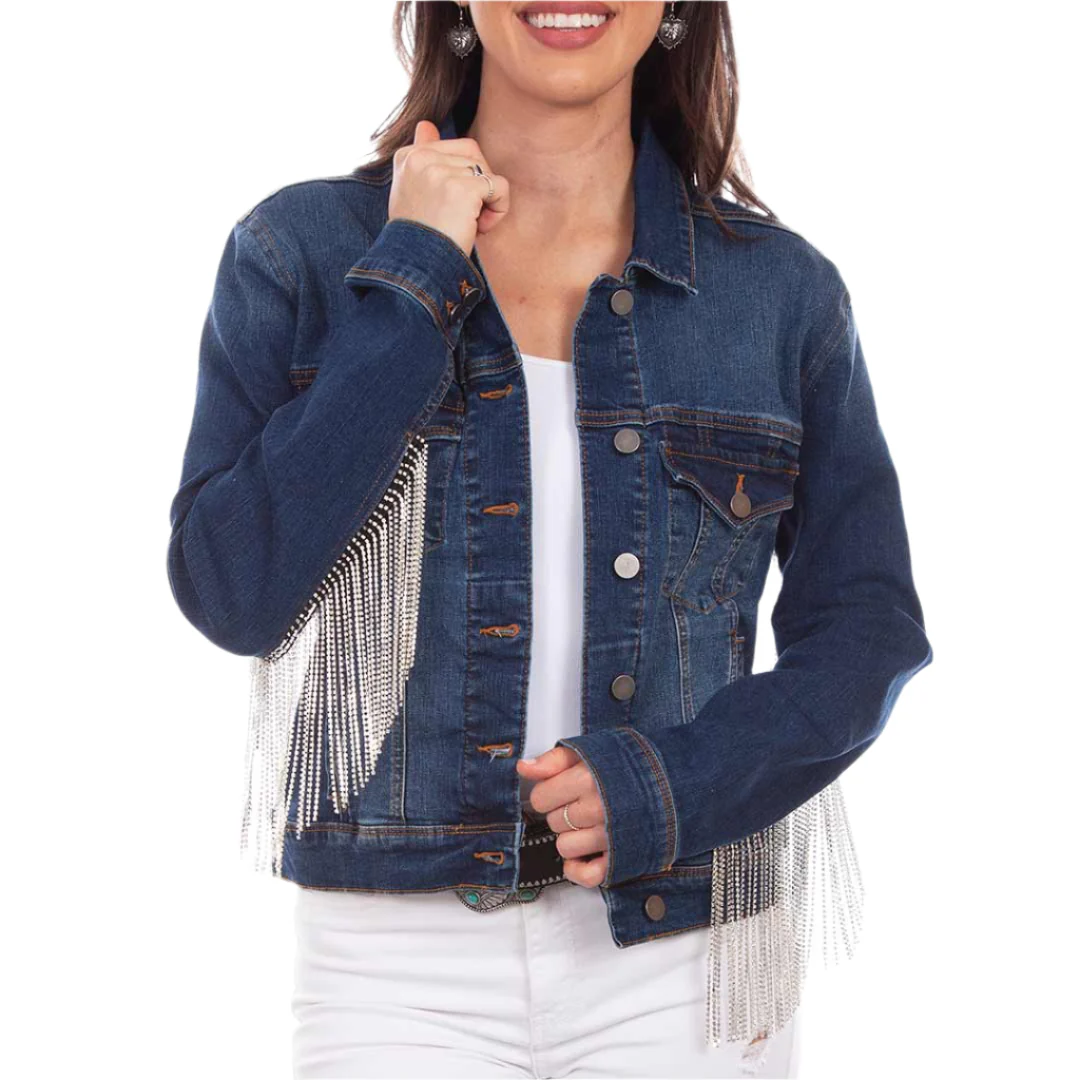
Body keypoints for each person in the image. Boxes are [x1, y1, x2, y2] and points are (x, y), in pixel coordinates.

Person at [166, 2, 933, 1077]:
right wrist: (414, 274)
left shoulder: (779, 294)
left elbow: (867, 629)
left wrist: (671, 785)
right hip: (392, 959)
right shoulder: (304, 252)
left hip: (685, 942)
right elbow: (232, 591)